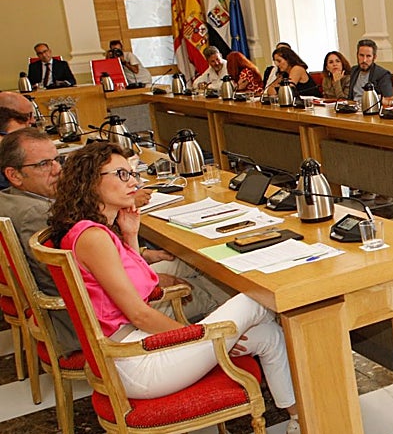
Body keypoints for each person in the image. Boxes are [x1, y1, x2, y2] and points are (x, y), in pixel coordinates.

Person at [45, 142, 304, 434]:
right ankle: (293, 379)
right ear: (89, 181)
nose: (133, 181)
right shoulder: (92, 237)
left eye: (133, 172)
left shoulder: (94, 231)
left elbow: (142, 285)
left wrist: (131, 236)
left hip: (133, 351)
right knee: (255, 300)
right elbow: (139, 312)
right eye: (121, 174)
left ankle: (298, 425)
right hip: (136, 363)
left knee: (267, 336)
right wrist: (194, 337)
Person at [0, 128, 230, 351]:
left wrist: (136, 245)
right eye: (43, 164)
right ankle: (221, 345)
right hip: (91, 318)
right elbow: (71, 274)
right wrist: (155, 279)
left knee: (190, 264)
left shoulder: (11, 200)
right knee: (215, 287)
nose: (57, 170)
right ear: (14, 175)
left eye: (56, 160)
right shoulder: (36, 215)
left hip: (105, 293)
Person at [346, 38, 393, 103]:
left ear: (374, 57)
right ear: (357, 55)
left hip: (371, 109)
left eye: (368, 56)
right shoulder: (354, 70)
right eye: (361, 55)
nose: (364, 60)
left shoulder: (382, 74)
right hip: (352, 108)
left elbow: (388, 98)